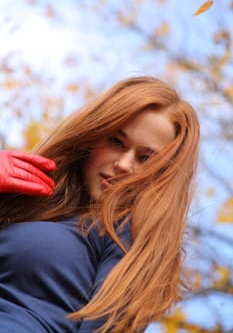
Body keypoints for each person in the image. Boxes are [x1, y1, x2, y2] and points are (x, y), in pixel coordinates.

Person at [0, 76, 200, 333]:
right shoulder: (31, 202)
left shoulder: (128, 234)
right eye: (117, 142)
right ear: (93, 136)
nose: (124, 165)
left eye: (146, 158)